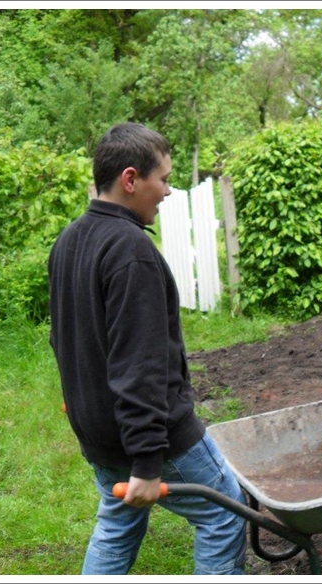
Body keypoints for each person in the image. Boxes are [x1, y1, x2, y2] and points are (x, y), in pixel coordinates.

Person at [48, 123, 247, 575]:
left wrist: (82, 403)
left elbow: (63, 340)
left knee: (118, 523)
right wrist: (146, 461)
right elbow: (141, 362)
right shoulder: (129, 250)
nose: (169, 191)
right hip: (152, 437)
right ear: (131, 179)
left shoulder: (69, 241)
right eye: (163, 179)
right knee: (225, 511)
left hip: (99, 431)